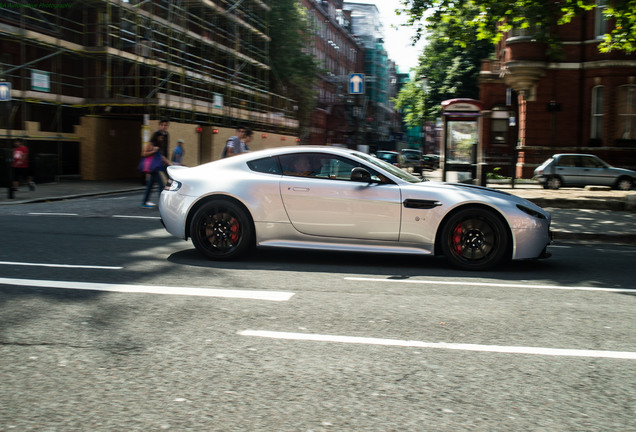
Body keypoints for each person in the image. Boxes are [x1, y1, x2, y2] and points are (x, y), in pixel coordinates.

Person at [140, 134, 170, 208]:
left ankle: (144, 202)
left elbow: (160, 156)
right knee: (161, 185)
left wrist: (167, 162)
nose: (162, 139)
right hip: (153, 168)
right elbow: (144, 153)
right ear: (156, 137)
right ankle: (162, 204)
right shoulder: (150, 144)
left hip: (156, 168)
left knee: (150, 186)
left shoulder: (157, 145)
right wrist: (153, 151)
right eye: (160, 137)